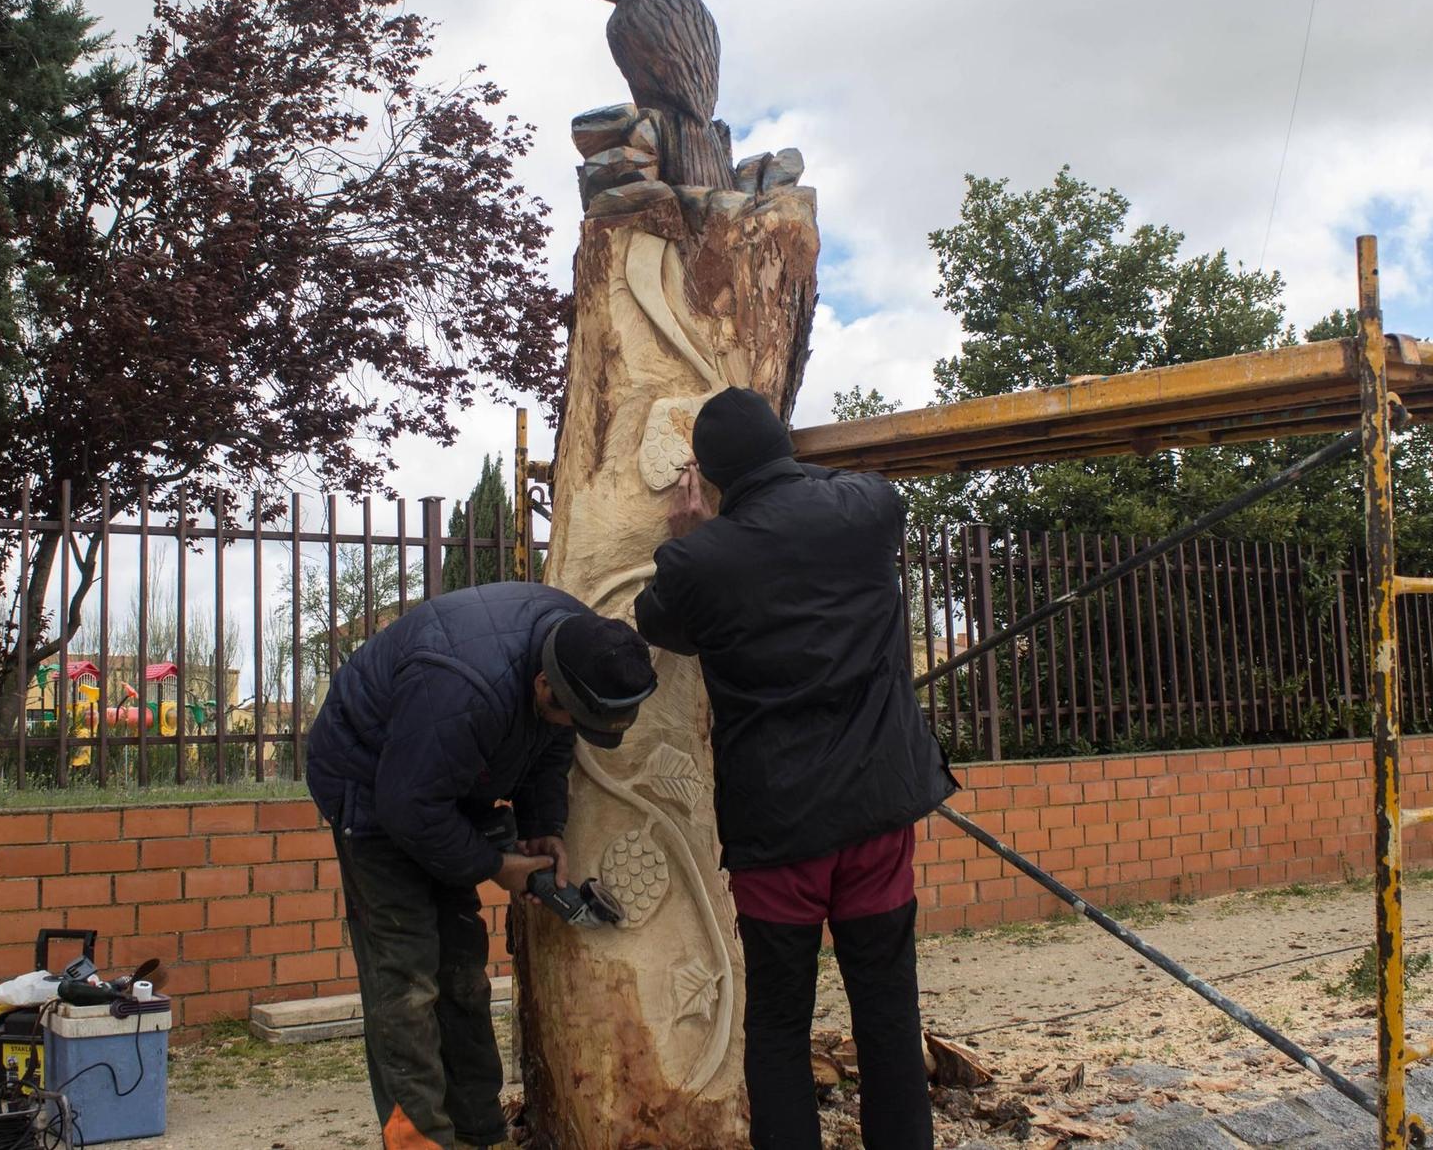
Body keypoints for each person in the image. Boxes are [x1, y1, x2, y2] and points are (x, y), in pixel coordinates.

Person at [634, 387, 956, 1150]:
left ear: (706, 478)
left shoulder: (698, 557)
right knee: (887, 1012)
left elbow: (657, 621)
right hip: (877, 815)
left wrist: (692, 531)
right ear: (786, 447)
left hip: (779, 834)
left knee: (778, 1026)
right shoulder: (865, 510)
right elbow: (874, 491)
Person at [305, 581, 656, 1150]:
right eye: (570, 714)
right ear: (545, 684)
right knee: (407, 977)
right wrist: (494, 863)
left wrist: (544, 826)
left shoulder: (583, 647)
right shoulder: (463, 687)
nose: (571, 726)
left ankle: (477, 1133)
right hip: (372, 791)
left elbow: (553, 742)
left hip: (436, 781)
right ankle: (420, 1141)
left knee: (462, 970)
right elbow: (407, 806)